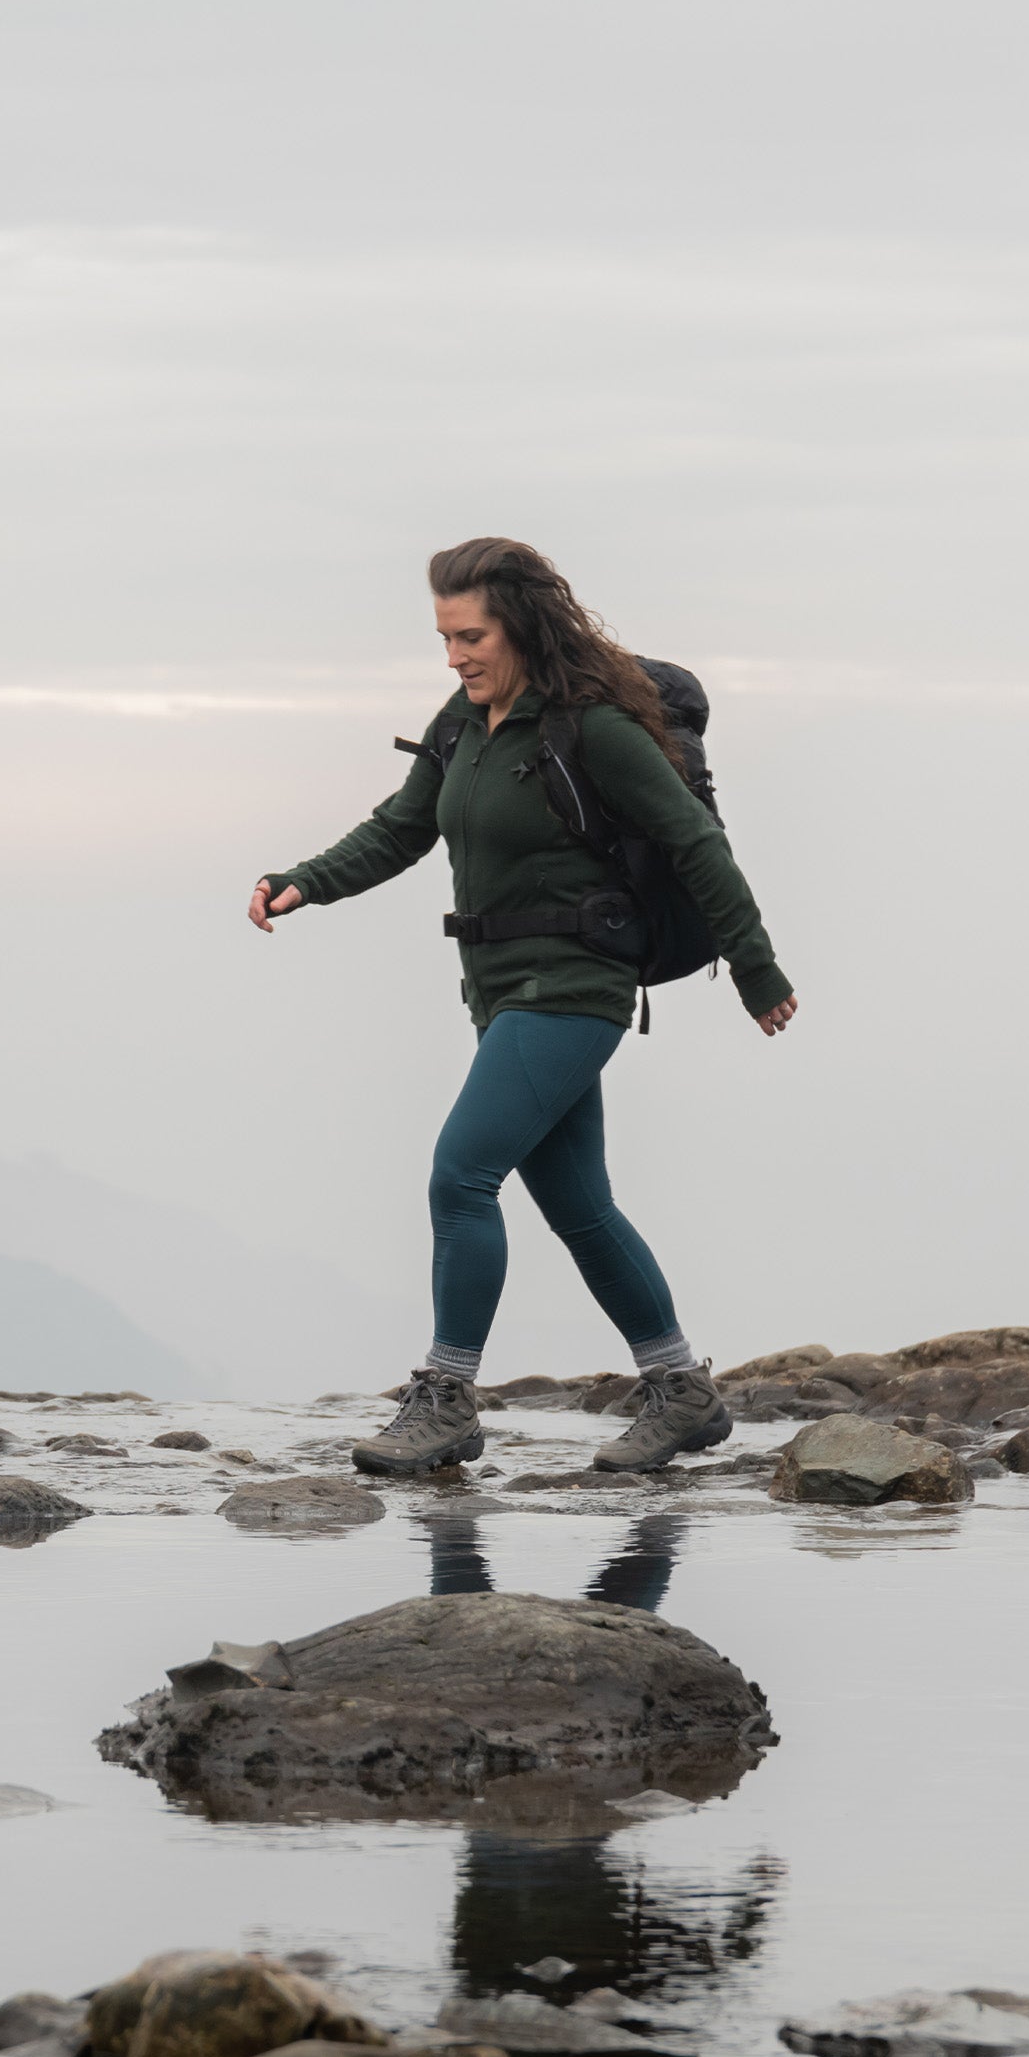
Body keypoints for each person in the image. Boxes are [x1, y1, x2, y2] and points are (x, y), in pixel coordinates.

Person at [250, 536, 796, 1476]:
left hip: (575, 988)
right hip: (499, 991)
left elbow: (696, 845)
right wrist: (305, 882)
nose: (455, 656)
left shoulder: (594, 729)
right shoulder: (463, 722)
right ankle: (681, 1391)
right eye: (444, 638)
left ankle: (447, 1399)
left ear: (521, 628)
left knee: (461, 1176)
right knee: (578, 1204)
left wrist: (756, 971)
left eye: (470, 636)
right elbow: (402, 826)